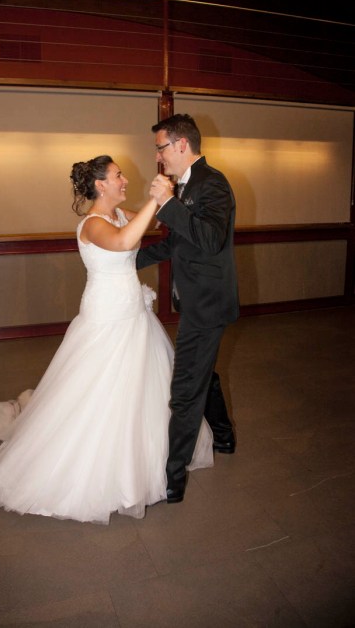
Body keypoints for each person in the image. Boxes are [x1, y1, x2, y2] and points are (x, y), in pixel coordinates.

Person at [0, 155, 213, 524]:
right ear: (101, 185)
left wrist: (165, 202)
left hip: (133, 314)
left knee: (138, 389)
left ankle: (140, 465)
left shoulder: (118, 214)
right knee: (99, 389)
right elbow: (124, 242)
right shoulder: (93, 224)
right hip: (106, 316)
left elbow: (151, 224)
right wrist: (155, 198)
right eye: (118, 176)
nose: (125, 180)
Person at [136, 114, 239, 504]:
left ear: (182, 144)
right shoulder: (186, 186)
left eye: (160, 147)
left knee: (184, 390)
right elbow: (177, 243)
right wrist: (127, 260)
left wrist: (166, 202)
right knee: (202, 373)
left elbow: (210, 239)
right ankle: (224, 436)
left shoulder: (213, 183)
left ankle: (173, 476)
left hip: (208, 306)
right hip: (196, 301)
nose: (158, 157)